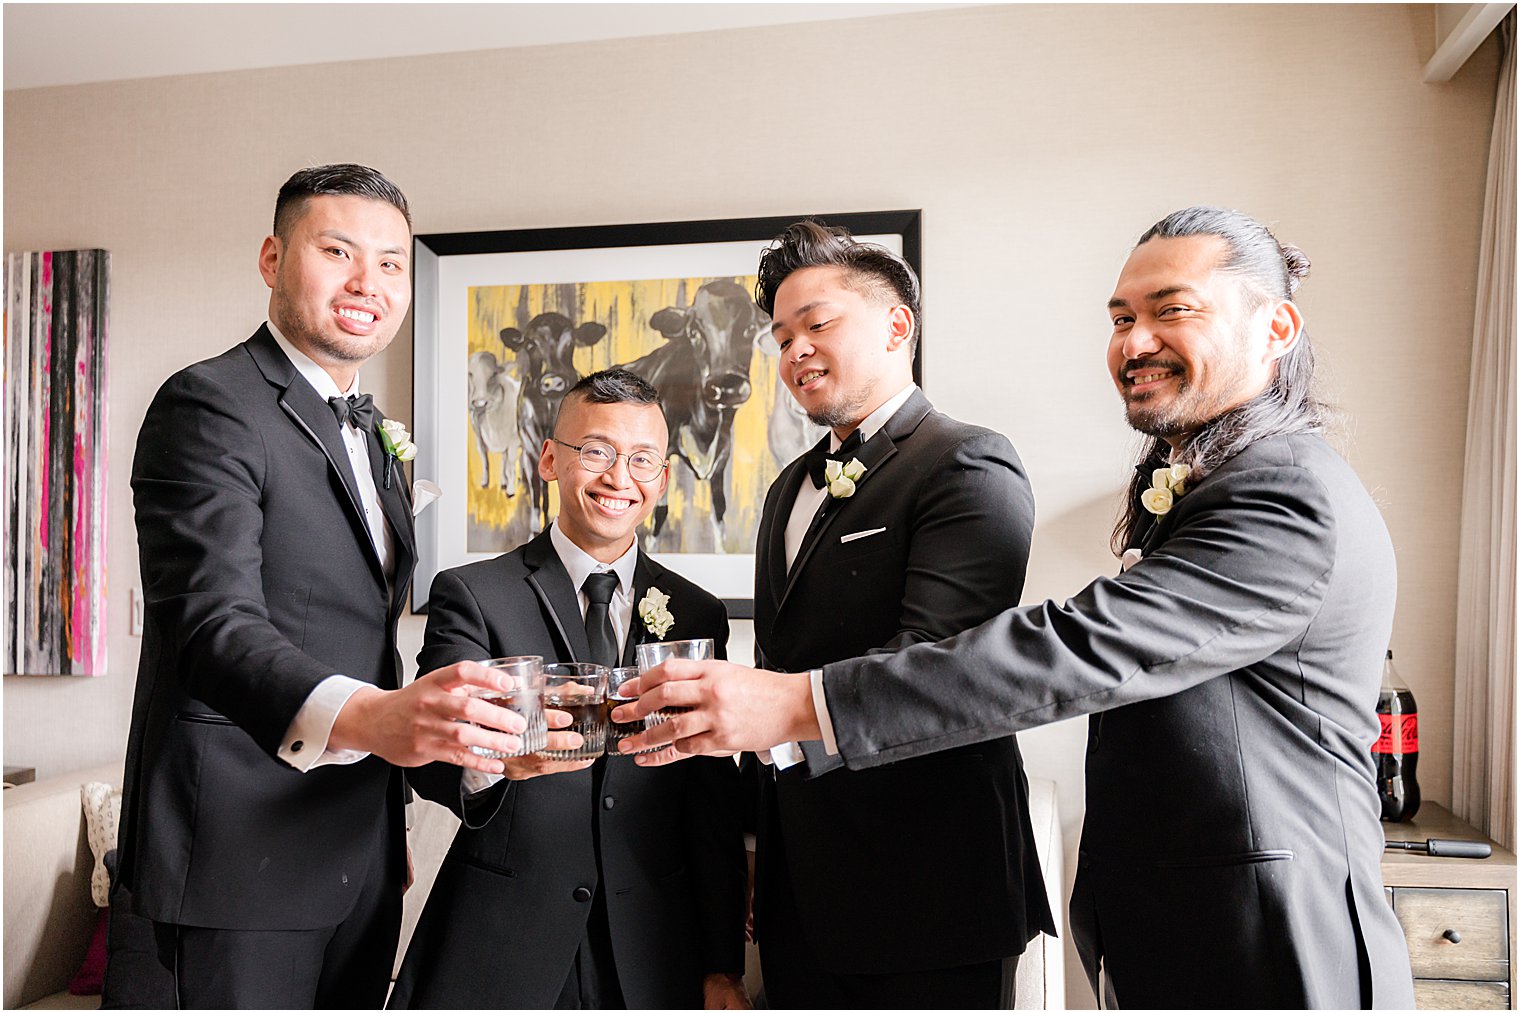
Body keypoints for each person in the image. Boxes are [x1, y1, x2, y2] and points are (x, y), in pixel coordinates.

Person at [619, 206, 1417, 1008]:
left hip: (1274, 940)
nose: (1134, 341)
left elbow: (1080, 648)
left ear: (1276, 327)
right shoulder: (1207, 483)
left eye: (1170, 309)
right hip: (1173, 929)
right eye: (1121, 318)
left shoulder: (1287, 493)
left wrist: (795, 703)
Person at [122, 164, 532, 1008]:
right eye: (337, 250)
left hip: (360, 861)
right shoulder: (209, 404)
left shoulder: (374, 434)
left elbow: (361, 637)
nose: (367, 282)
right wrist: (382, 718)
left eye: (391, 262)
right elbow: (210, 625)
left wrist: (467, 754)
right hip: (235, 863)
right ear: (273, 258)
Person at [701, 221, 1054, 1008]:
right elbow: (778, 662)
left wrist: (776, 728)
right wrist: (758, 840)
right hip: (799, 894)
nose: (794, 351)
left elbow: (942, 664)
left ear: (898, 325)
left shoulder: (968, 461)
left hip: (931, 890)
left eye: (818, 324)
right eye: (781, 336)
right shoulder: (790, 485)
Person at [387, 368, 749, 1010]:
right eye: (597, 452)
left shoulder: (697, 614)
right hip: (504, 940)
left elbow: (710, 805)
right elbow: (434, 763)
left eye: (641, 459)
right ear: (550, 458)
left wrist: (721, 965)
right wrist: (494, 762)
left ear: (662, 479)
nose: (619, 478)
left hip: (653, 947)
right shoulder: (474, 594)